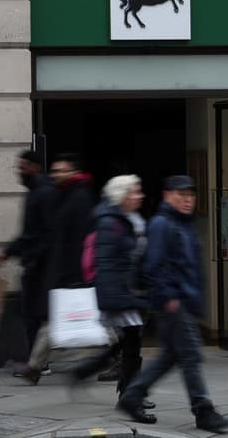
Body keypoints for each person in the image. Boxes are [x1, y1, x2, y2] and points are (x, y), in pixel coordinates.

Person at [118, 175, 228, 433]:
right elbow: (153, 265)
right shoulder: (162, 223)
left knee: (169, 357)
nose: (187, 200)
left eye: (191, 195)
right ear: (167, 196)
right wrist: (169, 296)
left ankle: (132, 396)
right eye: (181, 195)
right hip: (173, 302)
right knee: (190, 356)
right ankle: (203, 410)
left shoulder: (182, 223)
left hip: (182, 301)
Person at [68, 175, 154, 409]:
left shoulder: (130, 219)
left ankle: (92, 374)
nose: (140, 195)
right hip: (118, 294)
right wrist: (118, 298)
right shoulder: (110, 222)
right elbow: (106, 264)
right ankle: (129, 395)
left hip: (128, 291)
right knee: (131, 344)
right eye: (135, 192)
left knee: (128, 344)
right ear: (122, 195)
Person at [8, 153, 95, 384]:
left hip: (71, 272)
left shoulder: (79, 198)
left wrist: (73, 273)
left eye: (61, 171)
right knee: (50, 320)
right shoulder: (61, 195)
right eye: (55, 170)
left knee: (98, 322)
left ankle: (113, 357)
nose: (56, 174)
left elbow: (76, 240)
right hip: (60, 270)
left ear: (73, 172)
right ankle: (34, 367)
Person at [0, 151, 55, 373]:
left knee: (36, 315)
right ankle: (37, 362)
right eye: (18, 167)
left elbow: (37, 234)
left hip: (40, 266)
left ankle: (37, 364)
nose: (20, 171)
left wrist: (10, 252)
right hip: (38, 264)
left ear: (35, 166)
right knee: (36, 315)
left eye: (23, 167)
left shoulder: (42, 193)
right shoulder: (37, 192)